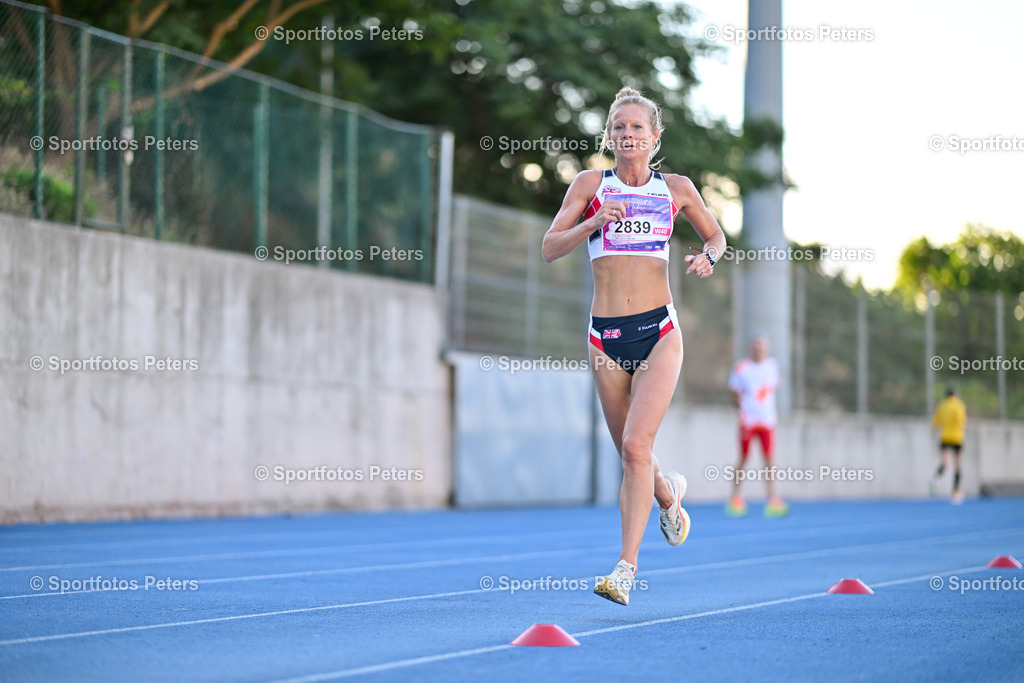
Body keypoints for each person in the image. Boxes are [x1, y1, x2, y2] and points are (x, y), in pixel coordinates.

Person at [542, 86, 726, 606]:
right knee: (633, 457)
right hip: (604, 338)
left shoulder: (677, 187)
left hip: (659, 333)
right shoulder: (588, 184)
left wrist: (709, 258)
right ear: (609, 136)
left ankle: (625, 570)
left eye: (637, 128)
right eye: (619, 127)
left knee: (635, 448)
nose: (628, 135)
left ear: (654, 136)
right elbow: (550, 247)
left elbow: (716, 236)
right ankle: (668, 495)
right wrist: (594, 222)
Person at [726, 334, 788, 518]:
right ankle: (735, 498)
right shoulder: (741, 367)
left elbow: (772, 389)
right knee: (744, 457)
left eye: (761, 346)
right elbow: (733, 391)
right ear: (750, 348)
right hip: (748, 421)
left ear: (766, 349)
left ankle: (773, 499)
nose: (758, 349)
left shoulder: (773, 367)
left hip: (767, 421)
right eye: (756, 346)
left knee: (769, 459)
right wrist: (741, 410)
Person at [931, 386, 967, 504]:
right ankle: (955, 492)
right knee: (957, 466)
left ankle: (936, 478)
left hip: (945, 437)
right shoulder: (959, 405)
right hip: (957, 438)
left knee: (945, 464)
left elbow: (935, 422)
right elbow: (961, 420)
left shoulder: (942, 406)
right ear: (955, 394)